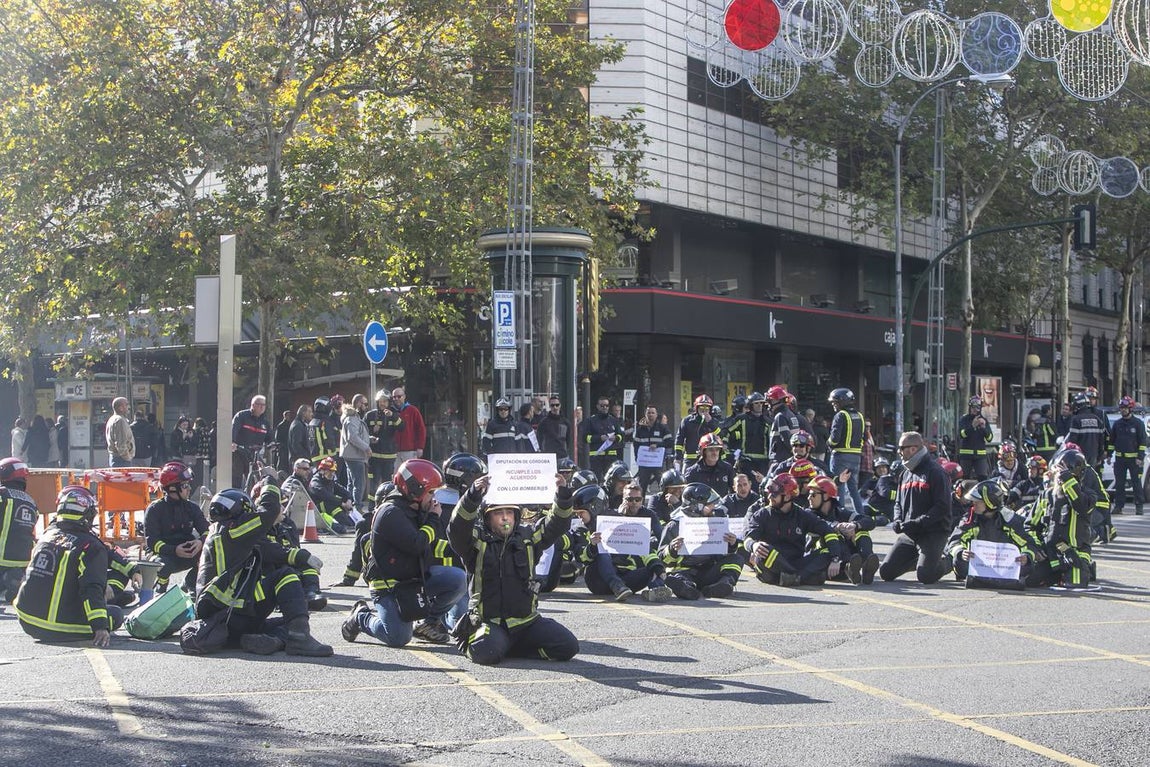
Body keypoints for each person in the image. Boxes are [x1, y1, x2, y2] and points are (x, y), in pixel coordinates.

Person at [446, 473, 580, 665]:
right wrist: (473, 496)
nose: (504, 518)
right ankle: (487, 642)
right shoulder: (476, 541)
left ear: (516, 516)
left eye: (509, 512)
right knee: (485, 652)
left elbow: (557, 524)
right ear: (487, 518)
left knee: (568, 646)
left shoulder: (529, 537)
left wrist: (563, 494)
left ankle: (512, 647)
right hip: (491, 623)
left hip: (526, 622)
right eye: (498, 513)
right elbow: (457, 529)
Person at [196, 482, 333, 656]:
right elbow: (269, 511)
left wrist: (300, 556)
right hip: (232, 613)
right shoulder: (234, 530)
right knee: (286, 576)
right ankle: (298, 639)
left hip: (220, 623)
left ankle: (272, 641)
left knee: (287, 622)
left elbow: (268, 549)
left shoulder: (220, 533)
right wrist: (269, 481)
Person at [342, 459, 467, 648]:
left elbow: (431, 545)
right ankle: (361, 617)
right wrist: (433, 518)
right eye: (431, 492)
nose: (434, 497)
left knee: (457, 579)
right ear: (415, 490)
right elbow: (418, 544)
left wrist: (463, 551)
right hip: (388, 586)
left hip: (413, 580)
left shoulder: (416, 508)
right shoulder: (391, 513)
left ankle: (427, 623)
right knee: (398, 638)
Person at [14, 486, 120, 646]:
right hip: (59, 627)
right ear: (88, 516)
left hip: (26, 620)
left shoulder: (47, 536)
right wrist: (100, 626)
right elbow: (91, 588)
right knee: (116, 614)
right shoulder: (90, 546)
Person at [879, 431, 953, 584]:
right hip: (911, 533)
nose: (899, 452)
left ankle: (949, 561)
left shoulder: (935, 472)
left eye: (902, 448)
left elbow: (942, 507)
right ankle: (921, 560)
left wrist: (919, 522)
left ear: (913, 449)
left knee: (926, 576)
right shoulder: (905, 474)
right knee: (886, 572)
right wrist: (897, 520)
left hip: (933, 532)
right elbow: (898, 503)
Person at [743, 473, 840, 587]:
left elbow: (828, 531)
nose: (769, 498)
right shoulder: (761, 515)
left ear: (788, 497)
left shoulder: (802, 515)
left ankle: (793, 578)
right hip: (771, 567)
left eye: (774, 495)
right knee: (763, 550)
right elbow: (748, 538)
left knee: (826, 552)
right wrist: (754, 545)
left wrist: (835, 559)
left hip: (796, 562)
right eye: (769, 494)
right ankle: (800, 577)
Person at [947, 480, 1042, 590]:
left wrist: (1026, 556)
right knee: (959, 562)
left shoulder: (1009, 520)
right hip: (979, 566)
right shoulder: (970, 518)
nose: (973, 503)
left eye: (978, 501)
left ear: (990, 503)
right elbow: (955, 540)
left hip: (1004, 567)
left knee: (1028, 568)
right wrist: (961, 552)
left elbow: (1029, 543)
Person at [657, 483, 743, 599]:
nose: (714, 507)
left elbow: (724, 552)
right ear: (697, 506)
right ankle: (686, 588)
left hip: (708, 571)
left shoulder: (716, 523)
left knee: (737, 559)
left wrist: (732, 544)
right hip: (685, 570)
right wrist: (672, 549)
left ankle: (722, 585)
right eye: (710, 505)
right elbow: (661, 558)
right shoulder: (675, 525)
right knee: (679, 578)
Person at [1026, 450, 1097, 589]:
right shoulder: (1047, 495)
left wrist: (1067, 480)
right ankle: (1056, 574)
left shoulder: (1089, 496)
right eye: (1057, 472)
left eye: (1062, 472)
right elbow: (1030, 526)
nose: (1057, 476)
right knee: (1029, 581)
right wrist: (1036, 548)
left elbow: (1080, 506)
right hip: (1050, 553)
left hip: (1074, 553)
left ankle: (1086, 568)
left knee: (1075, 584)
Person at [144, 461, 209, 594]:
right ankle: (160, 591)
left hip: (188, 552)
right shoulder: (155, 510)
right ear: (172, 488)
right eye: (185, 485)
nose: (189, 489)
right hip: (164, 554)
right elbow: (152, 542)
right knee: (163, 566)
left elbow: (208, 530)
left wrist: (200, 542)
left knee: (211, 557)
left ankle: (189, 583)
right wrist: (174, 550)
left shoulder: (192, 508)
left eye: (188, 485)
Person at [806, 475, 880, 585]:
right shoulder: (808, 514)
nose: (809, 498)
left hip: (843, 556)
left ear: (826, 496)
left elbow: (868, 521)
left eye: (813, 495)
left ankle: (867, 563)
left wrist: (855, 526)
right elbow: (823, 526)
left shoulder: (839, 512)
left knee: (862, 532)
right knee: (833, 534)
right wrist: (838, 527)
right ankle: (848, 568)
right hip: (822, 556)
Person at [0, 458, 37, 603]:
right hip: (23, 561)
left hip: (2, 558)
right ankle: (13, 580)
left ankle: (8, 579)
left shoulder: (2, 495)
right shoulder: (32, 502)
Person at [827, 387, 866, 514]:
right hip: (856, 457)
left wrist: (828, 443)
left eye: (835, 402)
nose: (833, 405)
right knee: (853, 490)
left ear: (842, 401)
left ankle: (839, 515)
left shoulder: (840, 415)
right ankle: (861, 516)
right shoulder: (860, 416)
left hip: (840, 456)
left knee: (838, 486)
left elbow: (834, 439)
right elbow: (864, 437)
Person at [1110, 395, 1145, 516]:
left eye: (1125, 408)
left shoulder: (1138, 424)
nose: (1123, 410)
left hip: (1134, 460)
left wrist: (1140, 457)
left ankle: (1139, 506)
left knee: (1136, 483)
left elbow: (1142, 442)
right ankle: (1119, 506)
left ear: (1130, 409)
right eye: (1121, 408)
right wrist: (1108, 455)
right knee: (1119, 484)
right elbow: (1112, 441)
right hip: (1120, 459)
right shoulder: (1117, 424)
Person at [364, 390, 404, 491]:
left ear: (389, 402)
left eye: (385, 401)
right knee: (373, 482)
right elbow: (362, 432)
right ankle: (372, 501)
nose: (382, 403)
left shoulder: (394, 415)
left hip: (389, 456)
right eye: (380, 401)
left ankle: (386, 500)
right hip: (374, 456)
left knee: (387, 483)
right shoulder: (370, 415)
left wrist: (393, 416)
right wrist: (371, 434)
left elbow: (402, 427)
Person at [231, 394, 271, 490]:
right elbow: (234, 430)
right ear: (253, 405)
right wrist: (232, 442)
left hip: (254, 454)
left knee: (255, 481)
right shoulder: (242, 416)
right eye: (259, 404)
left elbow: (269, 437)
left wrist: (271, 444)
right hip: (239, 452)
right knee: (236, 479)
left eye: (264, 405)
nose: (262, 407)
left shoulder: (265, 422)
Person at [308, 456, 356, 534]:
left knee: (338, 502)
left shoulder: (330, 481)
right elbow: (325, 495)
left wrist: (349, 500)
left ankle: (350, 524)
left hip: (328, 509)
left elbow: (344, 491)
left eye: (333, 471)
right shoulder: (315, 482)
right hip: (317, 511)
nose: (332, 474)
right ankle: (346, 525)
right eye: (330, 471)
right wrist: (341, 503)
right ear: (322, 471)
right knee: (330, 503)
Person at [340, 397, 372, 510]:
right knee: (359, 483)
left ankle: (349, 506)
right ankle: (357, 508)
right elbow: (352, 437)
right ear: (358, 404)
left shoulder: (353, 417)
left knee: (351, 483)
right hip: (355, 456)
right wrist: (366, 447)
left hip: (352, 455)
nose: (366, 407)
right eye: (365, 404)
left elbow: (357, 435)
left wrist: (369, 439)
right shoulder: (352, 418)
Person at [683, 433, 735, 497]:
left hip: (723, 503)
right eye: (711, 450)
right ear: (703, 451)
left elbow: (734, 493)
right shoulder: (692, 472)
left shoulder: (727, 469)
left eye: (717, 449)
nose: (714, 453)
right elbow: (687, 496)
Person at [1066, 391, 1109, 472]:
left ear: (1078, 406)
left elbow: (1072, 441)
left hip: (1079, 456)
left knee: (1080, 477)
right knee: (1091, 475)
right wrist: (1100, 456)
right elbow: (1101, 440)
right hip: (1094, 456)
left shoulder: (1076, 420)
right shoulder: (1097, 419)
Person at [673, 394, 716, 471]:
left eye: (707, 408)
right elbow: (679, 440)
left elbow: (720, 436)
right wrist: (677, 458)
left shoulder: (714, 422)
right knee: (686, 478)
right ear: (696, 408)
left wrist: (710, 423)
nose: (704, 410)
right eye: (701, 407)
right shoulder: (687, 421)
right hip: (690, 460)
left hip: (709, 460)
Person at [584, 396, 623, 478]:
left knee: (610, 479)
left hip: (611, 456)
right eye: (602, 406)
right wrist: (599, 438)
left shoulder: (613, 420)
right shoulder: (591, 420)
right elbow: (585, 438)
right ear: (597, 406)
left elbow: (621, 435)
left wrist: (616, 438)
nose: (604, 407)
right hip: (596, 456)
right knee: (597, 478)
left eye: (606, 405)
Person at [956, 396, 994, 480]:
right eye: (973, 407)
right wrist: (972, 426)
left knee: (983, 478)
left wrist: (984, 428)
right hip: (966, 455)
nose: (975, 409)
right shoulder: (964, 419)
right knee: (964, 478)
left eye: (977, 407)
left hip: (980, 456)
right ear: (970, 407)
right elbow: (961, 435)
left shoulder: (983, 420)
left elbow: (989, 438)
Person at [766, 385, 801, 468]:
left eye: (770, 400)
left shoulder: (780, 416)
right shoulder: (790, 414)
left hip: (780, 458)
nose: (769, 404)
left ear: (777, 400)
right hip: (788, 457)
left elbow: (786, 438)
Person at [391, 387, 426, 462]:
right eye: (394, 397)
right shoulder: (390, 412)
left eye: (399, 396)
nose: (396, 399)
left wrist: (420, 447)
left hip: (410, 450)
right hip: (393, 451)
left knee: (410, 470)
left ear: (404, 397)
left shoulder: (413, 410)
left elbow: (421, 429)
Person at [105, 397, 135, 467]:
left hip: (117, 458)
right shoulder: (119, 420)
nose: (129, 407)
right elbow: (121, 443)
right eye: (126, 404)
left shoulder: (112, 419)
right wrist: (127, 458)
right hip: (121, 460)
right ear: (120, 408)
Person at [273, 409, 293, 473]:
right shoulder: (281, 425)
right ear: (285, 416)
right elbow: (277, 437)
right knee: (281, 461)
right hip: (282, 446)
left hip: (288, 446)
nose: (289, 417)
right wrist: (279, 445)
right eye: (288, 415)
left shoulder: (290, 425)